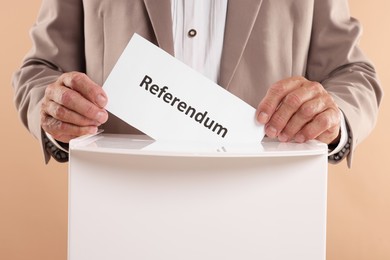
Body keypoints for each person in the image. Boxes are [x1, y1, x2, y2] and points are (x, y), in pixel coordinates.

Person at [13, 0, 382, 167]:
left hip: (266, 215)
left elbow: (352, 75)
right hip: (119, 210)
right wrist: (54, 107)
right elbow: (41, 69)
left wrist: (332, 114)